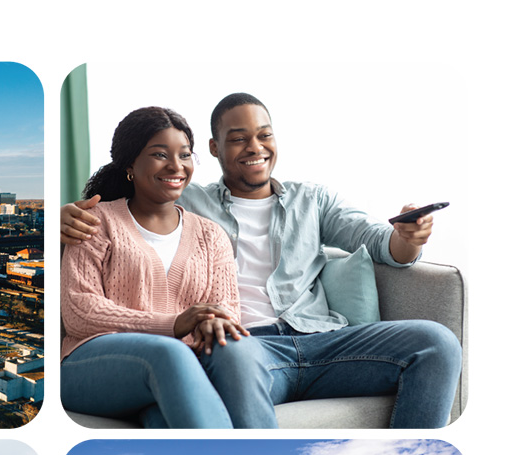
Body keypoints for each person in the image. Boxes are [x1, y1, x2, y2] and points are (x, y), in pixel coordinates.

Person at [62, 93, 463, 428]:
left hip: (321, 338)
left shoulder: (309, 201)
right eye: (238, 139)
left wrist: (407, 238)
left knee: (436, 342)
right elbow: (133, 206)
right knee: (226, 351)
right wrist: (54, 222)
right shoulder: (181, 198)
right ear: (215, 149)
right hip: (244, 348)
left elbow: (379, 243)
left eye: (264, 135)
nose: (255, 147)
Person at [62, 106, 267, 428]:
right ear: (130, 164)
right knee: (169, 353)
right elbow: (80, 311)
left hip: (176, 370)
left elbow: (226, 309)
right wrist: (173, 324)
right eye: (160, 155)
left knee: (234, 350)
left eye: (185, 155)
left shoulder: (211, 235)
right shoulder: (94, 221)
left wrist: (214, 322)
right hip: (91, 364)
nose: (176, 166)